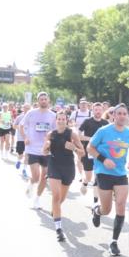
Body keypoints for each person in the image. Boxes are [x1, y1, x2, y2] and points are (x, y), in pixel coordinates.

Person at [88, 104, 129, 257]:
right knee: (107, 209)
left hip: (120, 173)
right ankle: (97, 211)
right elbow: (90, 148)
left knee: (121, 205)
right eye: (119, 113)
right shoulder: (103, 131)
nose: (122, 116)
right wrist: (104, 160)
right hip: (103, 172)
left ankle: (114, 242)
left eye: (124, 114)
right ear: (113, 115)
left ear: (127, 116)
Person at [43, 109, 85, 242]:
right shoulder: (51, 134)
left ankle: (55, 209)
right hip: (54, 165)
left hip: (68, 167)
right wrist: (46, 147)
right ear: (56, 120)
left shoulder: (72, 134)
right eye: (59, 119)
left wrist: (74, 148)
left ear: (66, 120)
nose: (61, 121)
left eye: (63, 119)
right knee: (56, 196)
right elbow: (44, 153)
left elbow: (82, 152)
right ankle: (59, 229)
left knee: (61, 198)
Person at [22, 93, 58, 211]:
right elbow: (21, 126)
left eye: (45, 99)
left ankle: (36, 199)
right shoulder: (31, 113)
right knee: (36, 176)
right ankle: (31, 183)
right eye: (41, 99)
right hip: (32, 149)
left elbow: (56, 131)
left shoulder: (53, 115)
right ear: (37, 101)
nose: (43, 101)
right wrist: (25, 137)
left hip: (46, 150)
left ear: (48, 101)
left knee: (44, 177)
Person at [77, 102, 107, 198]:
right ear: (92, 110)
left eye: (100, 110)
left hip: (101, 152)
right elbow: (78, 136)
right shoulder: (87, 121)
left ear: (103, 111)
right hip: (89, 151)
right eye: (96, 110)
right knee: (89, 177)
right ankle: (85, 183)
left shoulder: (105, 123)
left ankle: (95, 201)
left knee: (98, 176)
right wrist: (92, 139)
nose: (98, 112)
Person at [14, 103, 31, 179]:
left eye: (28, 108)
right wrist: (21, 127)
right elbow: (14, 126)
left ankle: (24, 169)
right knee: (20, 154)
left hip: (29, 139)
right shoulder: (19, 117)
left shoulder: (32, 117)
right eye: (25, 108)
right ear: (23, 109)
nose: (26, 109)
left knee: (27, 155)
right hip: (20, 138)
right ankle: (18, 160)